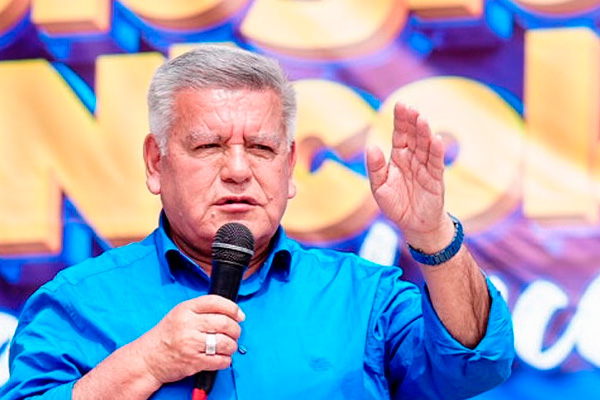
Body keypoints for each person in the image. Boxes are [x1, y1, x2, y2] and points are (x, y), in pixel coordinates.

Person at [0, 45, 514, 400]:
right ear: (156, 163)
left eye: (262, 148)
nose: (239, 170)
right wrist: (146, 363)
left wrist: (431, 234)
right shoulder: (76, 302)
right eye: (209, 146)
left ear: (289, 168)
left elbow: (476, 365)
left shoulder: (363, 297)